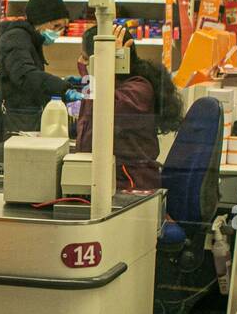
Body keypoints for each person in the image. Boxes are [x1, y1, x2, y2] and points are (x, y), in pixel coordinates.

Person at [75, 24, 182, 191]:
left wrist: (104, 66)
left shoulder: (138, 90)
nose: (82, 63)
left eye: (87, 59)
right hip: (107, 180)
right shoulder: (105, 86)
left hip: (131, 185)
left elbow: (104, 110)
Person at [0, 0, 81, 137]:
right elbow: (25, 75)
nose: (58, 33)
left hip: (22, 120)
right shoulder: (16, 38)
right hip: (11, 125)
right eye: (55, 26)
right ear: (40, 21)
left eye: (62, 28)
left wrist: (61, 81)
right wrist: (63, 88)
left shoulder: (28, 39)